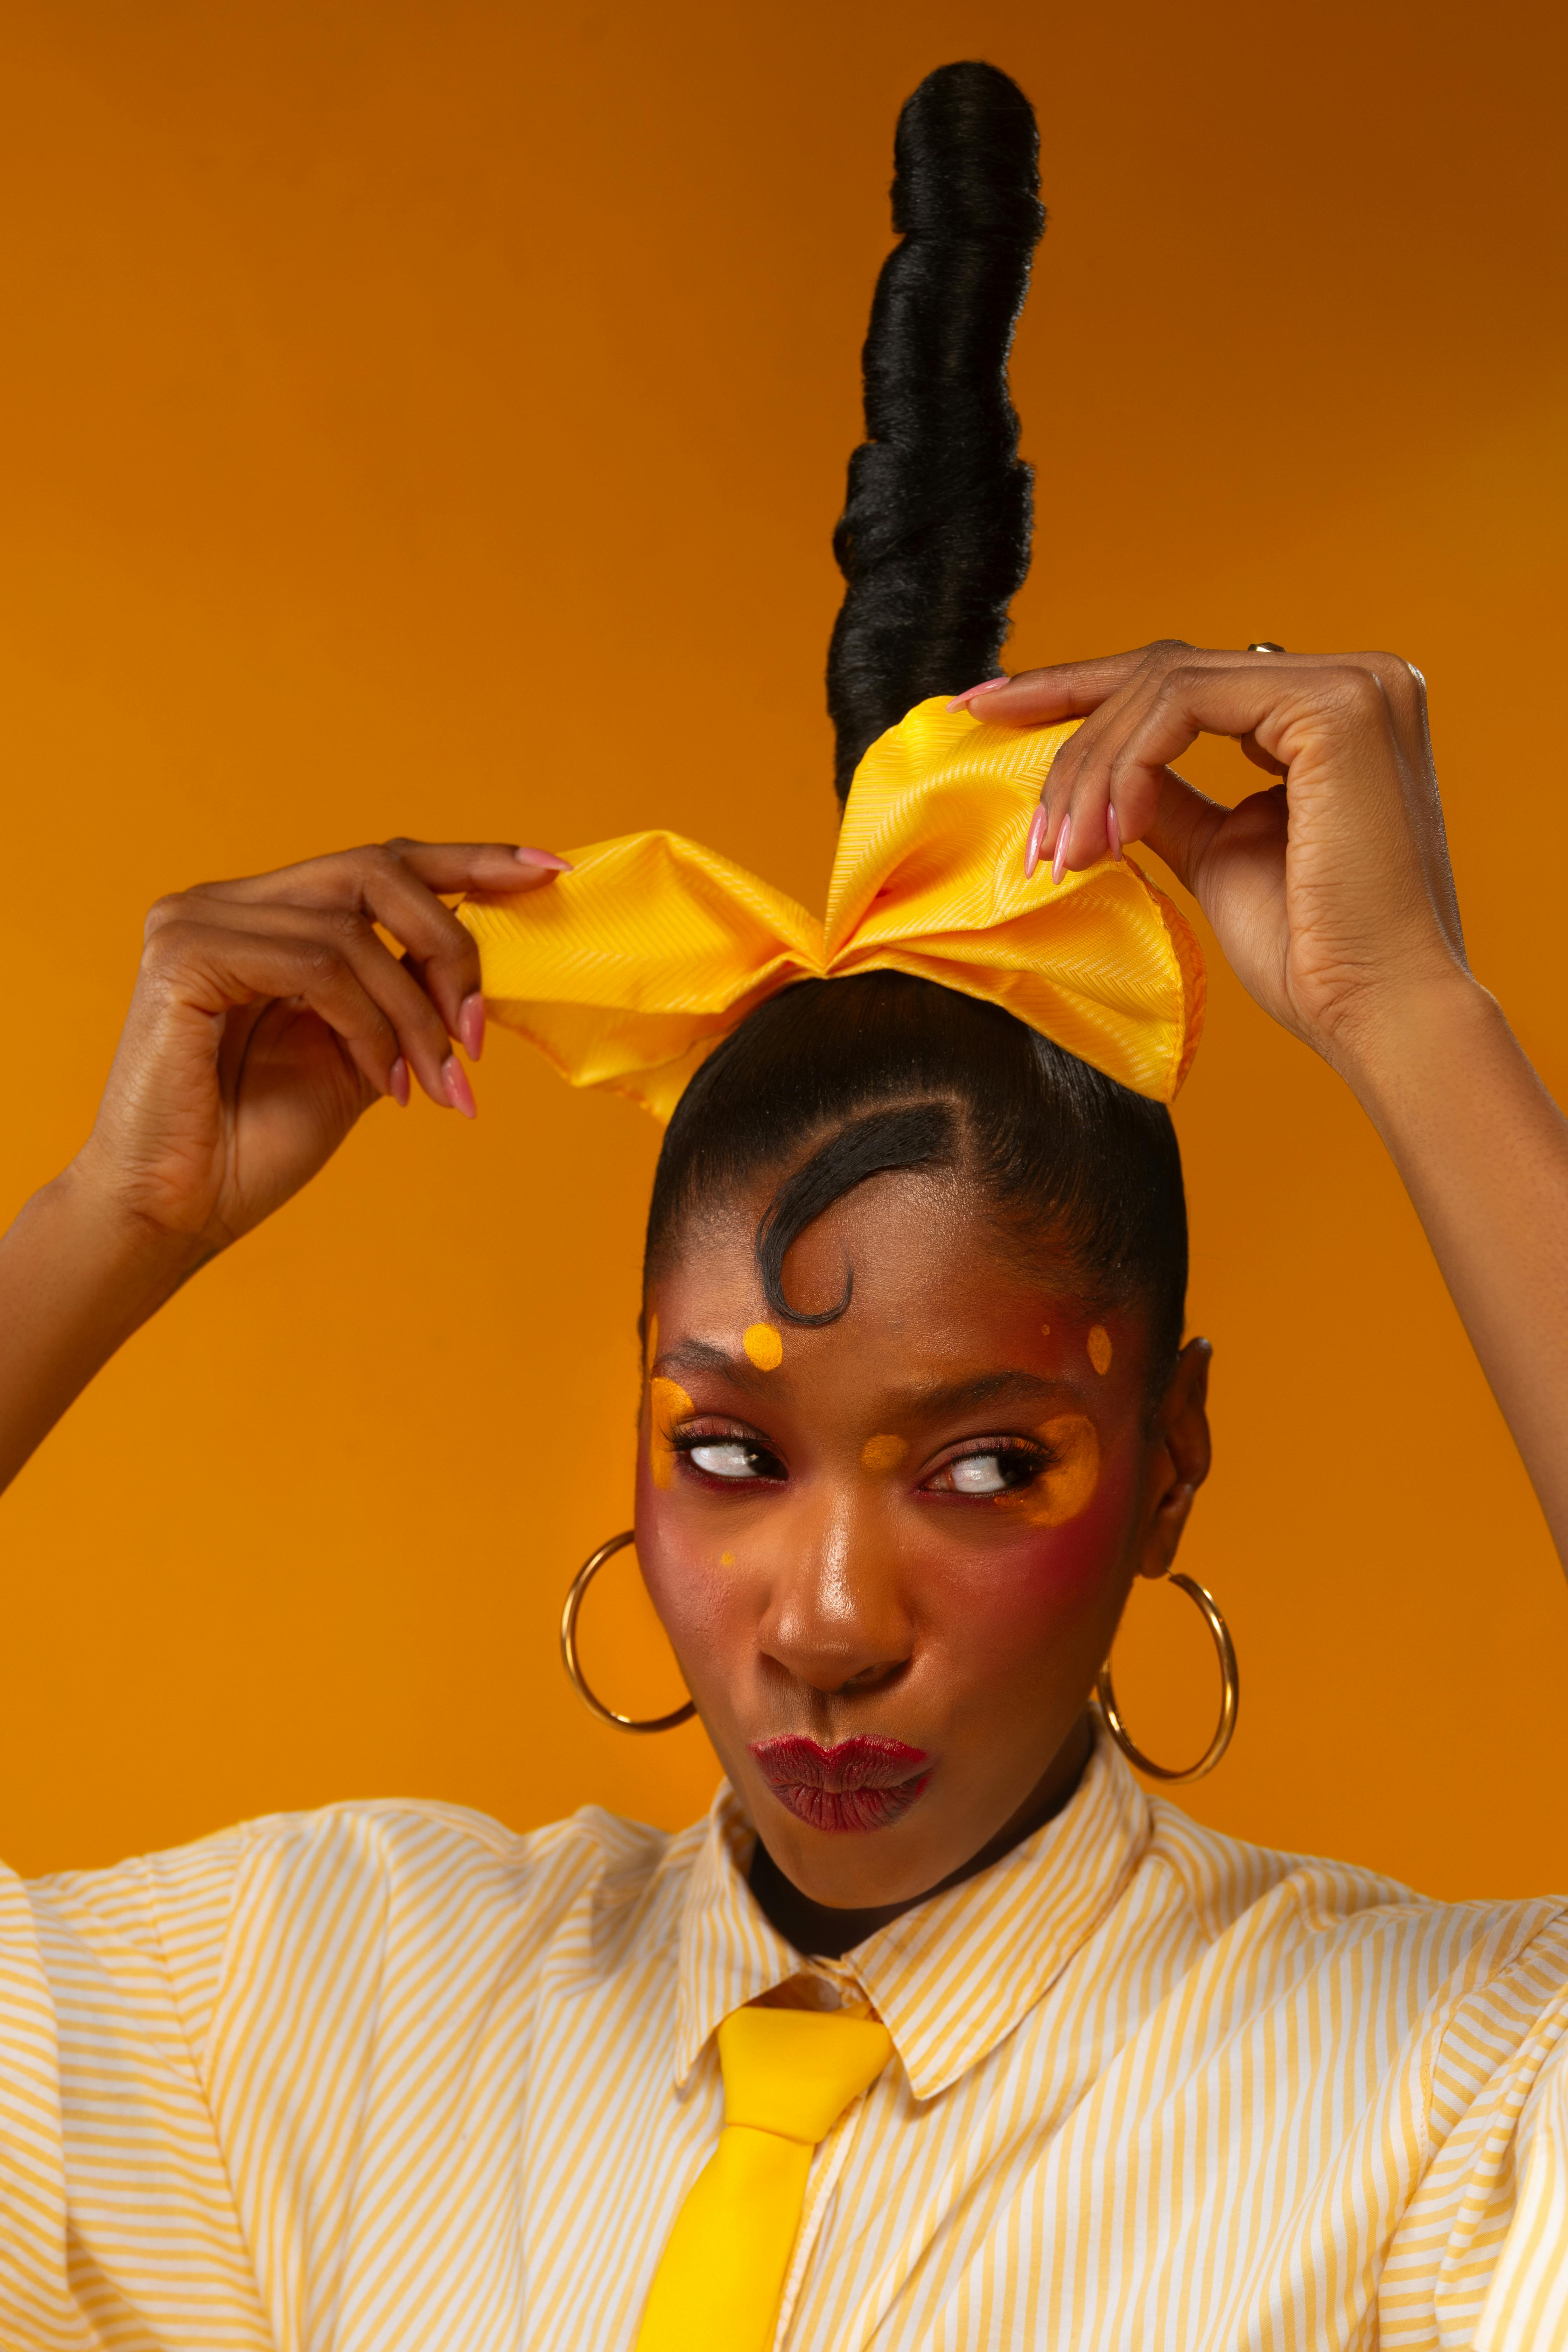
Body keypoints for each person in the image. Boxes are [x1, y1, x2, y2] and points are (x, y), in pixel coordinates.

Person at [1, 57, 1565, 2352]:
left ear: (1171, 1465)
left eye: (986, 1461)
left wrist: (1415, 1016)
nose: (824, 1621)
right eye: (728, 1453)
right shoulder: (327, 2009)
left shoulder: (1440, 2095)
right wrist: (101, 1221)